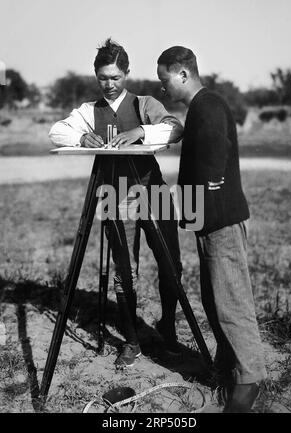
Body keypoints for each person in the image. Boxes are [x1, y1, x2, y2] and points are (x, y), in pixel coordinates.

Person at [49, 39, 183, 369]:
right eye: (103, 78)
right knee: (124, 268)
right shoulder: (88, 110)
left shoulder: (144, 103)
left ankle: (168, 327)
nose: (109, 85)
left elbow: (175, 129)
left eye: (115, 77)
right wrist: (81, 137)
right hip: (114, 196)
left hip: (152, 191)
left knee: (170, 261)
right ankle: (132, 340)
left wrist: (141, 131)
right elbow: (56, 131)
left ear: (126, 73)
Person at [157, 46, 267, 413]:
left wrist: (203, 198)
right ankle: (229, 366)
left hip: (220, 220)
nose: (163, 89)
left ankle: (249, 379)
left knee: (232, 302)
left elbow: (215, 164)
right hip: (209, 220)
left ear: (183, 74)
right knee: (214, 298)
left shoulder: (210, 105)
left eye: (164, 81)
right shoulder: (199, 108)